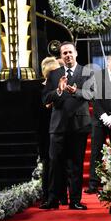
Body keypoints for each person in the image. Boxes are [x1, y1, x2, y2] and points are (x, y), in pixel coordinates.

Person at [40, 42, 94, 210]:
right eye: (64, 53)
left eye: (70, 52)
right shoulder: (54, 74)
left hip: (79, 125)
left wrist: (74, 92)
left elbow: (91, 94)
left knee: (76, 165)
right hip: (58, 126)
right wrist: (58, 91)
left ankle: (75, 201)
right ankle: (53, 200)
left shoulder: (87, 72)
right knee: (55, 164)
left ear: (76, 53)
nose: (68, 55)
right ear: (61, 56)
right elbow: (45, 99)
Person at [84, 52, 111, 194]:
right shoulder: (98, 76)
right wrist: (104, 116)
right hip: (99, 120)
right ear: (108, 62)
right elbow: (94, 99)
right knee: (96, 152)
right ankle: (94, 184)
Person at [38, 57, 61, 205]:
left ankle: (61, 195)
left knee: (59, 163)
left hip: (58, 129)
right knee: (47, 164)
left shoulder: (60, 87)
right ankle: (47, 196)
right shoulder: (39, 89)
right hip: (44, 131)